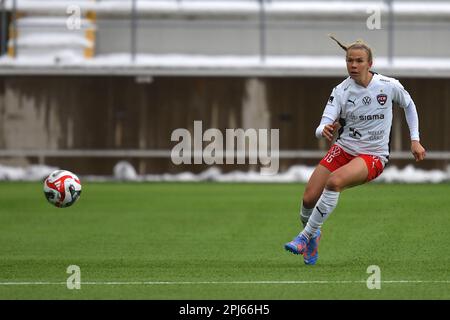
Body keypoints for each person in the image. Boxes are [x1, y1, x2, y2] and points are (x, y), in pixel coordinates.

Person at [284, 36, 426, 265]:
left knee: (334, 181)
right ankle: (314, 234)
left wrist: (415, 140)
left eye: (359, 61)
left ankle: (305, 236)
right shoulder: (341, 90)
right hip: (344, 148)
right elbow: (321, 125)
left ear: (369, 63)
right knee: (309, 198)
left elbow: (409, 105)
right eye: (350, 60)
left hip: (373, 155)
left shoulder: (388, 86)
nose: (353, 65)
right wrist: (325, 130)